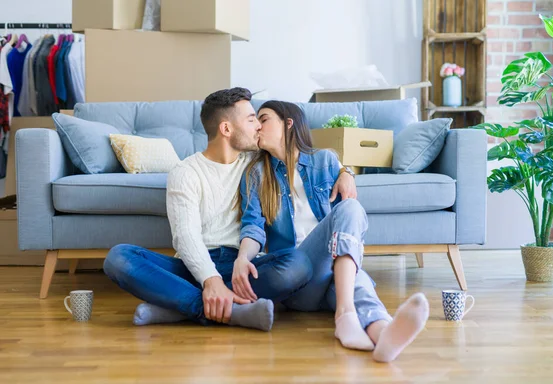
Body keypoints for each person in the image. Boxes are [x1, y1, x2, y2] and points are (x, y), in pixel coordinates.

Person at [103, 88, 358, 331]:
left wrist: (346, 172)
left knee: (298, 264)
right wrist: (211, 281)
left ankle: (179, 307)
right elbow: (186, 237)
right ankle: (225, 311)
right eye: (251, 120)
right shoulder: (186, 172)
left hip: (243, 267)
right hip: (194, 267)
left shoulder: (257, 164)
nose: (258, 126)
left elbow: (302, 158)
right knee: (119, 257)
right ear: (226, 129)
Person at [235, 100, 430, 362]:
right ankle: (345, 316)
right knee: (349, 214)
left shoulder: (325, 161)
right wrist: (242, 259)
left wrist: (346, 172)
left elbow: (347, 224)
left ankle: (383, 335)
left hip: (333, 278)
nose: (257, 126)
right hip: (296, 279)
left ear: (288, 123)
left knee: (353, 261)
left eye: (265, 119)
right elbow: (253, 228)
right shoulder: (255, 174)